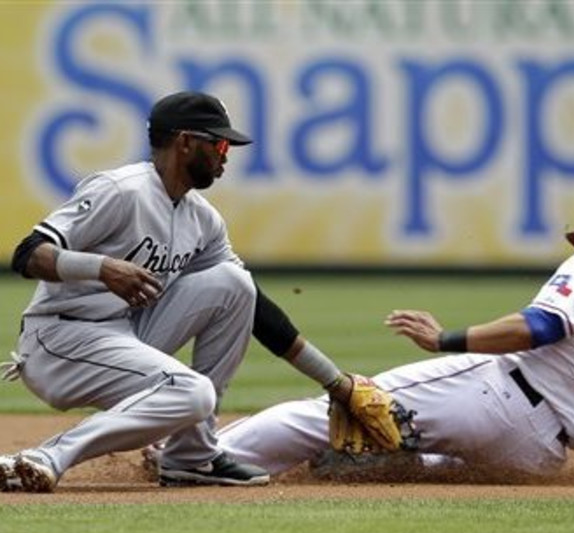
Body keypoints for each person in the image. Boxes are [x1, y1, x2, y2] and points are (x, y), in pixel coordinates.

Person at [198, 196, 574, 482]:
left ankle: (205, 458)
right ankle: (384, 461)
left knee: (346, 402)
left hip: (498, 394)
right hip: (540, 457)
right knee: (429, 461)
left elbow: (538, 328)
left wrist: (446, 340)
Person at [0, 91, 359, 492]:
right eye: (220, 143)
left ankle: (191, 457)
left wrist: (337, 383)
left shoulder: (202, 219)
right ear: (185, 142)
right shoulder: (121, 190)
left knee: (235, 284)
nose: (226, 155)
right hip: (60, 341)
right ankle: (43, 458)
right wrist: (102, 269)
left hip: (121, 334)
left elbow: (254, 307)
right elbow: (27, 254)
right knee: (193, 392)